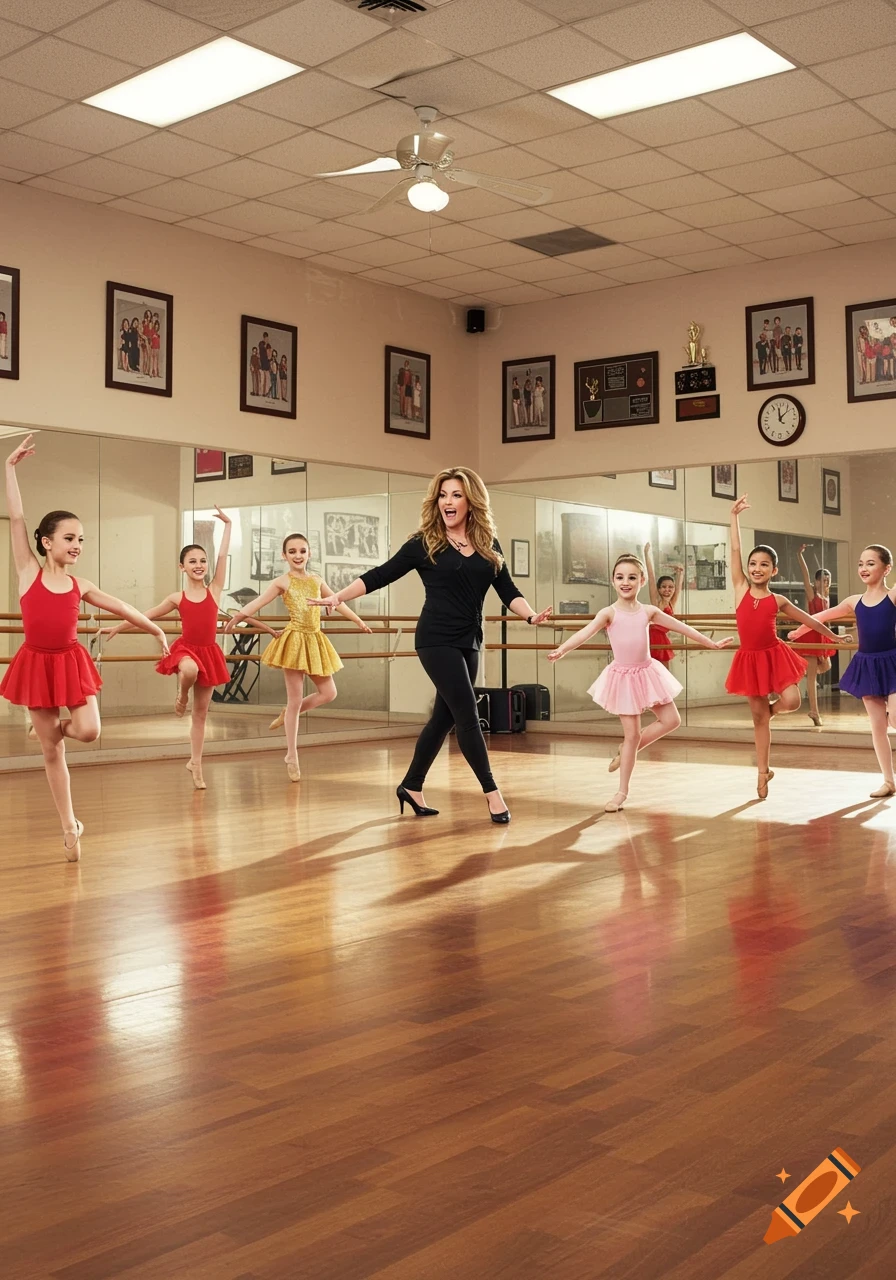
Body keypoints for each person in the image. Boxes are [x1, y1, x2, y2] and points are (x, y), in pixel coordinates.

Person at [307, 467, 552, 823]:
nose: (448, 502)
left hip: (470, 640)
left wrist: (530, 616)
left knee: (443, 718)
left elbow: (508, 592)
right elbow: (380, 575)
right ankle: (493, 794)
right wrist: (337, 598)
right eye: (442, 495)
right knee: (468, 715)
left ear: (471, 501)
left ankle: (411, 785)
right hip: (436, 639)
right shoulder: (424, 542)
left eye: (455, 495)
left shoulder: (488, 545)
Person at [1, 436, 170, 862]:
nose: (77, 544)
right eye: (70, 538)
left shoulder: (82, 585)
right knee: (51, 753)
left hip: (70, 661)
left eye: (82, 539)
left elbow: (124, 606)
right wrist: (10, 468)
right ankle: (69, 827)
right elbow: (17, 518)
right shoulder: (27, 572)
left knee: (89, 731)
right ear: (47, 542)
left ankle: (49, 732)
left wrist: (156, 631)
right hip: (36, 663)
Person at [548, 554, 731, 813]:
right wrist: (562, 649)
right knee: (632, 733)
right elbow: (584, 632)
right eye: (620, 577)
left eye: (632, 577)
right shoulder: (608, 613)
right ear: (613, 581)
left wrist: (709, 642)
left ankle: (626, 750)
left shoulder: (649, 611)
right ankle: (621, 792)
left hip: (647, 673)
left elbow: (681, 627)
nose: (626, 582)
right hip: (623, 677)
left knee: (672, 721)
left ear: (642, 581)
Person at [99, 508, 234, 790]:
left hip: (209, 652)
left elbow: (222, 557)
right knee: (189, 669)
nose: (199, 565)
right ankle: (181, 692)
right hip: (187, 650)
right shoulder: (177, 597)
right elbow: (145, 615)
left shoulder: (215, 590)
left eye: (202, 561)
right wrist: (117, 627)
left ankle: (196, 763)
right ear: (181, 566)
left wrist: (229, 525)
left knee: (201, 715)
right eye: (192, 561)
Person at [225, 533, 371, 781]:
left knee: (329, 693)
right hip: (293, 640)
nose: (298, 555)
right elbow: (257, 604)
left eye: (302, 551)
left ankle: (288, 713)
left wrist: (358, 620)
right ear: (284, 555)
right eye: (292, 551)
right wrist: (236, 619)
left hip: (314, 639)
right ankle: (291, 755)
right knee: (295, 700)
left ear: (309, 553)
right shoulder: (282, 581)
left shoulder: (316, 579)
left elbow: (338, 600)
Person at [725, 496, 841, 799]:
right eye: (753, 564)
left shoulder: (778, 601)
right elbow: (735, 551)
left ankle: (768, 713)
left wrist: (834, 636)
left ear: (774, 571)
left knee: (791, 701)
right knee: (759, 720)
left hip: (773, 655)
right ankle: (763, 773)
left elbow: (811, 620)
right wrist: (733, 517)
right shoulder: (740, 588)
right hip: (749, 660)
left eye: (764, 565)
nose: (757, 568)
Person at [789, 545, 896, 798]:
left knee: (894, 719)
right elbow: (821, 616)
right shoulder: (853, 601)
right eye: (861, 563)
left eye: (871, 563)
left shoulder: (892, 597)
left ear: (886, 568)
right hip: (868, 664)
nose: (864, 568)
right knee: (877, 726)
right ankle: (889, 781)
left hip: (892, 662)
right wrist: (799, 631)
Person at [792, 543, 836, 726]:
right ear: (817, 581)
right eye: (822, 580)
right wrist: (799, 554)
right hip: (811, 635)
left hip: (821, 635)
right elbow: (805, 574)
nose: (825, 583)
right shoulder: (813, 595)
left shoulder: (826, 598)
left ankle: (798, 672)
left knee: (825, 666)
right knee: (812, 677)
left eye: (828, 580)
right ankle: (814, 712)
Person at [643, 541, 684, 668]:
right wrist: (646, 555)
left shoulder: (672, 602)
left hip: (663, 640)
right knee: (651, 671)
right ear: (659, 589)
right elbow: (651, 576)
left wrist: (679, 572)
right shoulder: (656, 602)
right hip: (652, 639)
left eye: (670, 587)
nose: (667, 590)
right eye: (664, 587)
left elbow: (679, 585)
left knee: (665, 672)